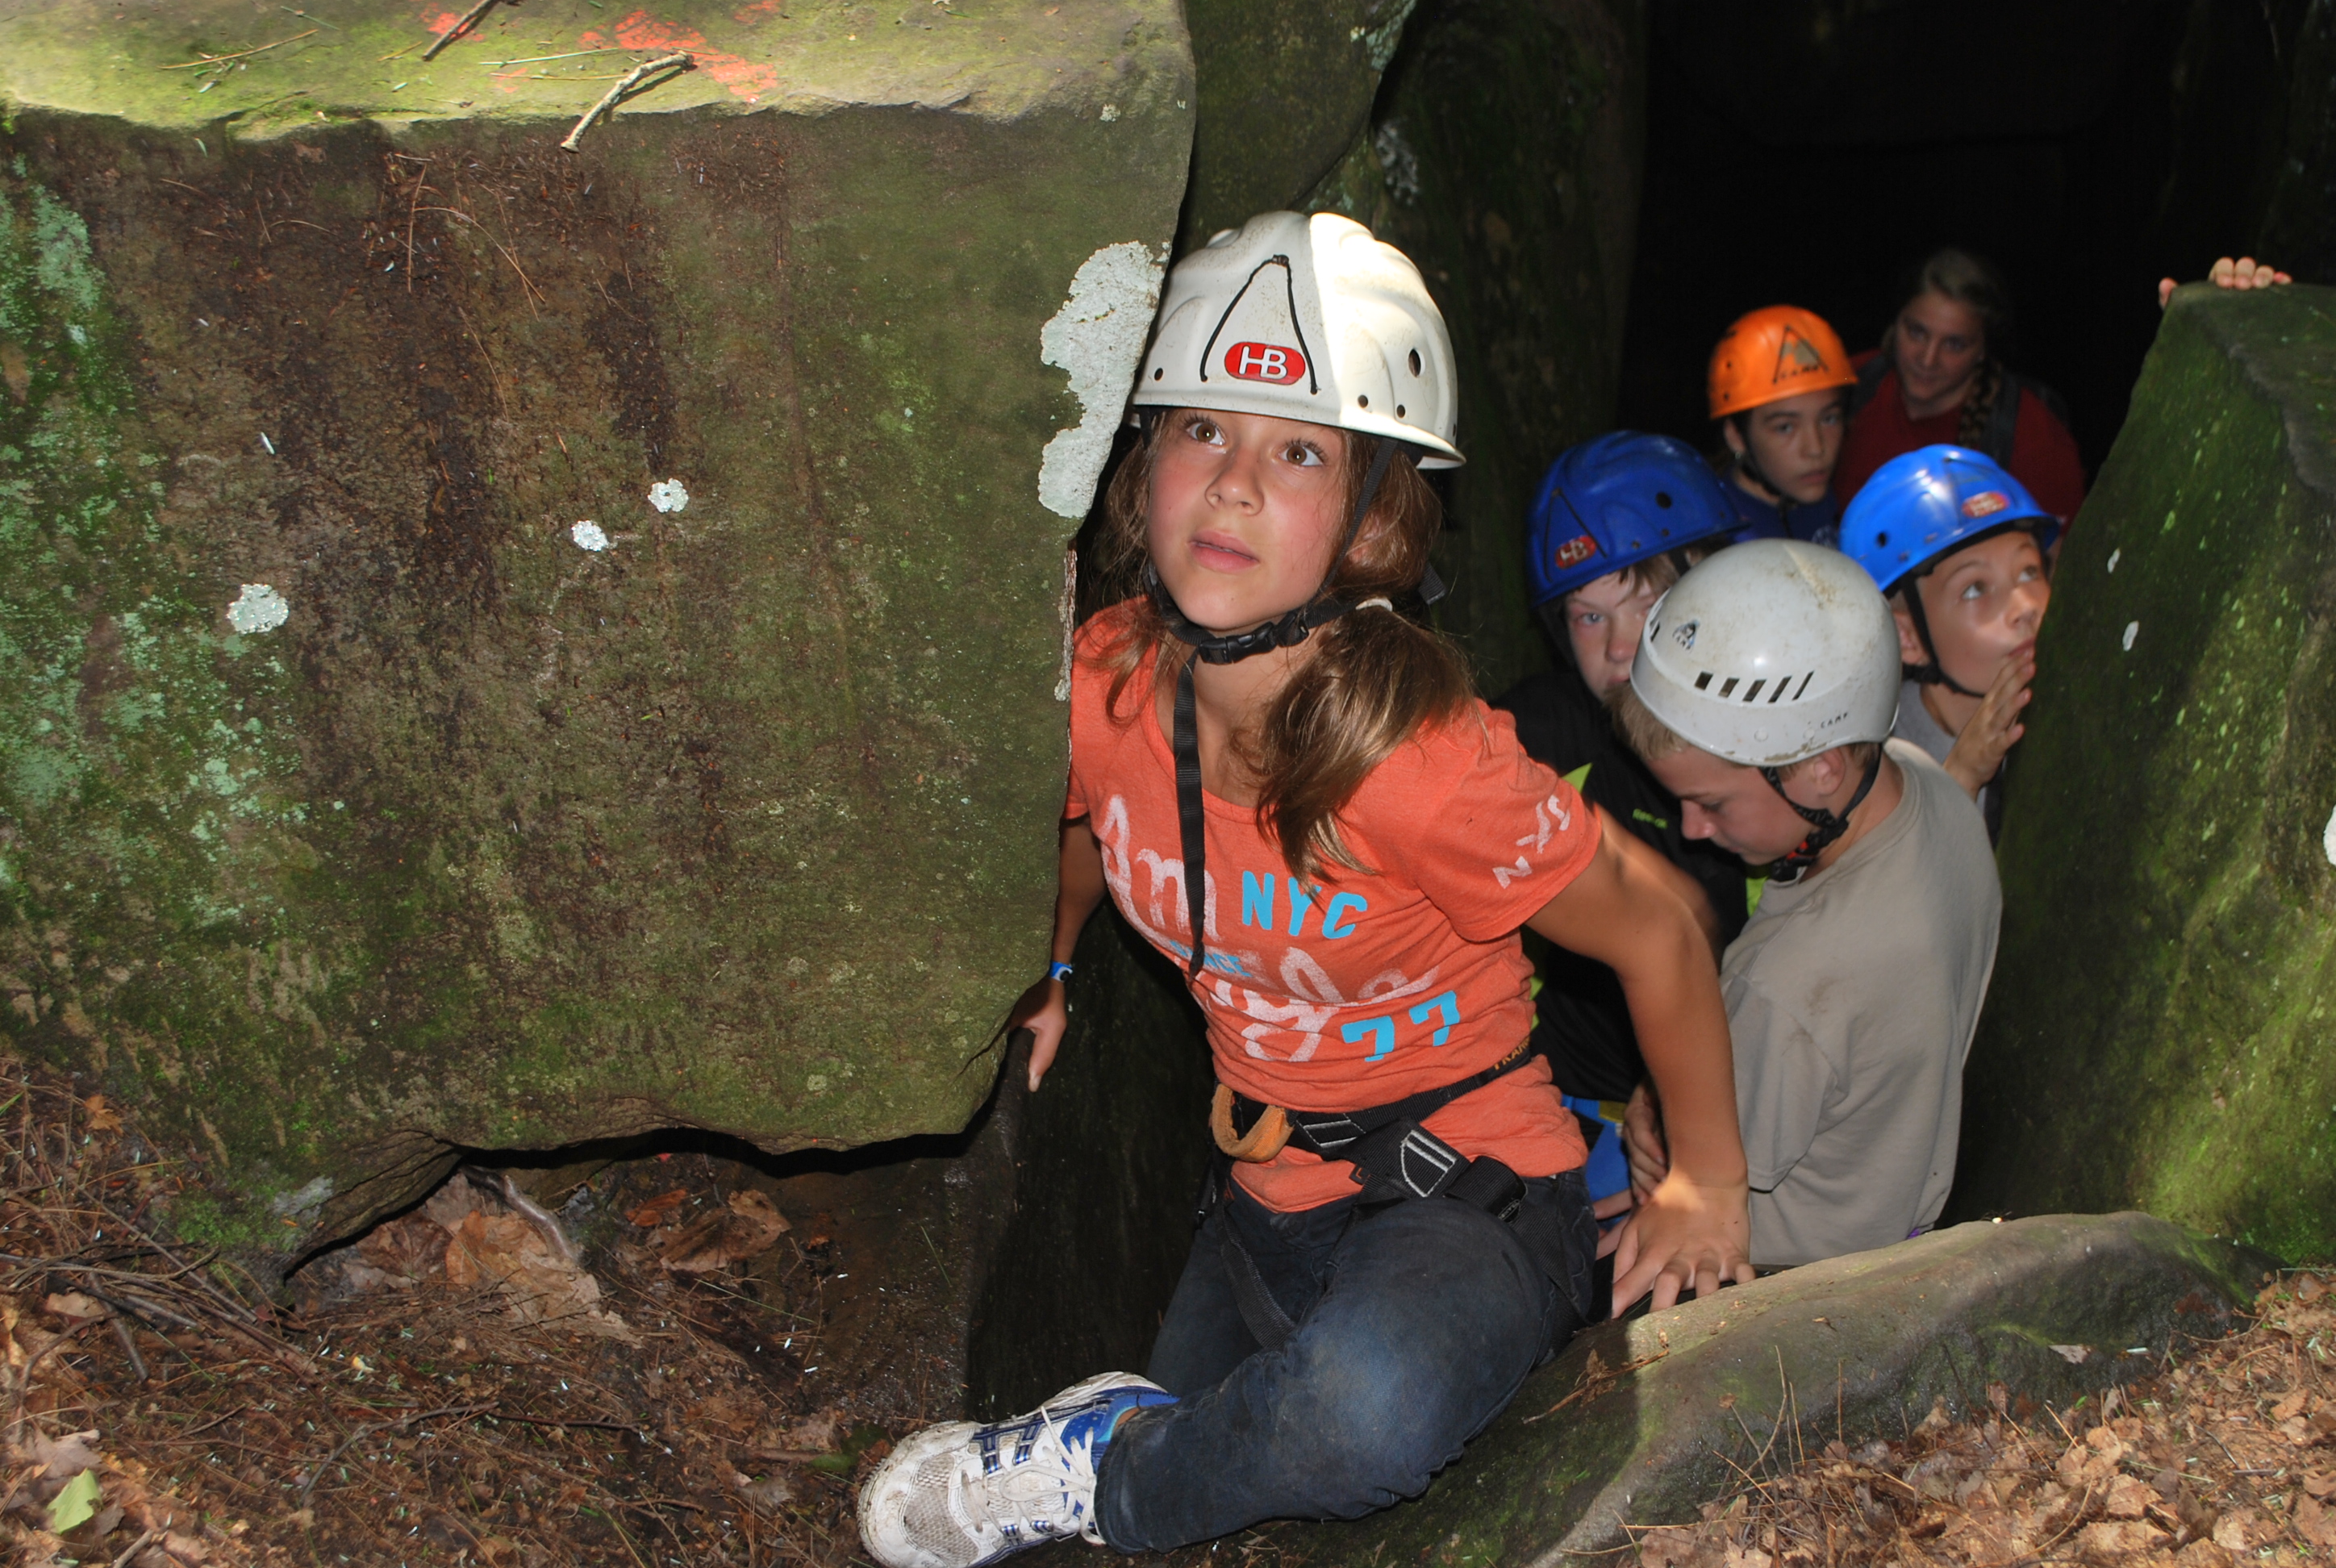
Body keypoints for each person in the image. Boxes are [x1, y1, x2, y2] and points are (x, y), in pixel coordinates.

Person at [857, 211, 1754, 1568]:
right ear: (1140, 460)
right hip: (1265, 1194)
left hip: (1466, 1186)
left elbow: (1661, 924)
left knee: (1355, 1417)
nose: (1229, 487)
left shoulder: (1420, 764)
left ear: (1370, 516)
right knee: (1243, 1473)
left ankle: (1095, 1464)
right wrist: (1050, 964)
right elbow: (1098, 824)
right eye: (1199, 432)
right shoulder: (1107, 677)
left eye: (1296, 453)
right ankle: (1132, 1440)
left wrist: (1705, 1183)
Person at [1608, 541, 2002, 1268]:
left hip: (1779, 1273)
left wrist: (1653, 1109)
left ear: (1820, 768)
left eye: (1710, 802)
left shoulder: (1791, 984)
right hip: (1892, 1204)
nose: (1694, 830)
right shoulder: (1927, 785)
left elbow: (1706, 1168)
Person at [1493, 432, 1754, 1220]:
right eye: (1586, 615)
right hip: (1563, 1123)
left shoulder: (1770, 740)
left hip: (1736, 1107)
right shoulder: (1542, 733)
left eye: (1644, 604)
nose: (1616, 648)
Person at [1838, 444, 2055, 841]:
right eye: (1975, 589)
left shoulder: (2072, 707)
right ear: (1907, 638)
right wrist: (1963, 777)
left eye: (2029, 571)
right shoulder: (1869, 770)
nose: (2026, 607)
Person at [1833, 249, 2086, 525]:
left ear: (1983, 350)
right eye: (1917, 332)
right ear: (1895, 323)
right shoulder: (1850, 383)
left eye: (1954, 344)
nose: (1928, 359)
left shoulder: (2032, 437)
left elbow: (2059, 558)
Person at [1705, 306, 1858, 547]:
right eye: (1786, 427)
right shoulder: (1722, 538)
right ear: (1737, 436)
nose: (1816, 449)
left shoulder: (1811, 495)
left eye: (1829, 419)